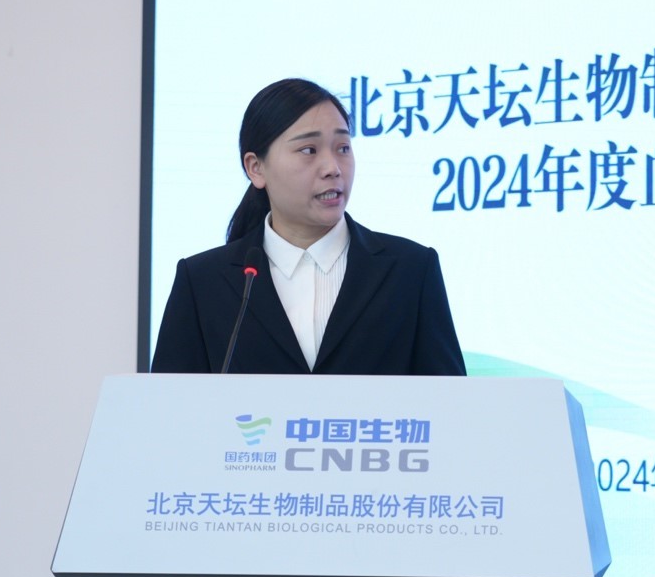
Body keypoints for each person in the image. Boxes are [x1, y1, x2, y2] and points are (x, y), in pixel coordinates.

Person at [151, 78, 466, 376]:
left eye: (343, 148)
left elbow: (450, 403)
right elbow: (167, 406)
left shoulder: (410, 271)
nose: (333, 168)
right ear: (256, 168)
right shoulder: (203, 282)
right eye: (309, 151)